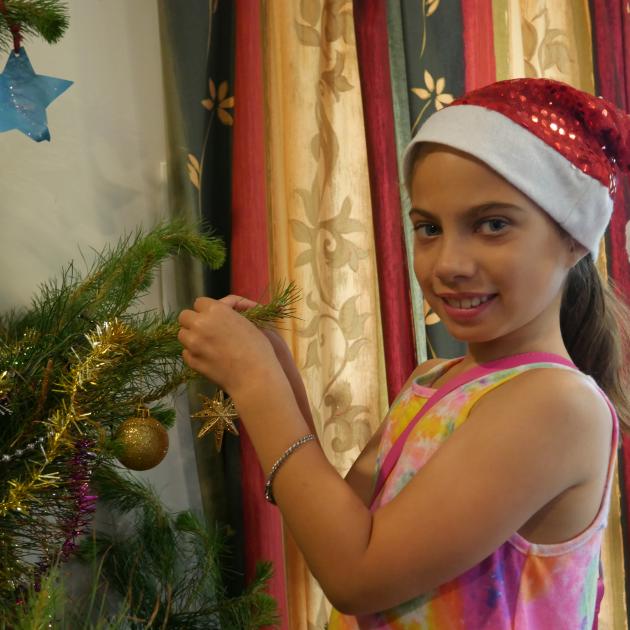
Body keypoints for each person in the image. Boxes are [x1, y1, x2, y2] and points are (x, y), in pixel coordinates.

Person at [177, 78, 630, 629]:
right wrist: (278, 376)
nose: (448, 263)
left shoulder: (555, 405)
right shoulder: (436, 378)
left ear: (574, 237)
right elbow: (341, 531)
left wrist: (255, 384)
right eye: (429, 228)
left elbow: (357, 577)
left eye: (492, 225)